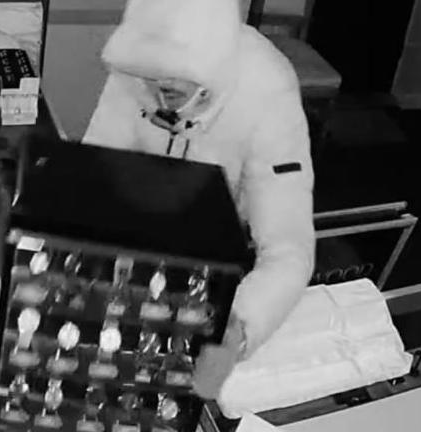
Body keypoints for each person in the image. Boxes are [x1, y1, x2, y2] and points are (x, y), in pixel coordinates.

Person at [82, 0, 315, 399]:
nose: (157, 95)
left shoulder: (269, 88)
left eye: (172, 87)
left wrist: (237, 330)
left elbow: (289, 249)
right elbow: (93, 172)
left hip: (216, 256)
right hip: (135, 245)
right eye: (149, 80)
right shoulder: (137, 65)